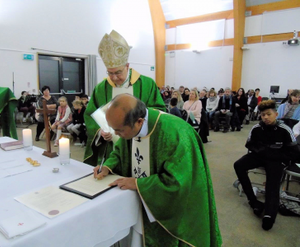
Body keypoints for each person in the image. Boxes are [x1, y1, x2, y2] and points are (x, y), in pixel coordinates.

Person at [94, 94, 222, 247]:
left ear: (139, 122)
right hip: (140, 207)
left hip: (171, 213)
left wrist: (139, 184)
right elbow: (122, 150)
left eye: (119, 130)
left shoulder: (175, 134)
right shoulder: (131, 125)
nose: (116, 134)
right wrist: (109, 166)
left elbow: (178, 183)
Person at [84, 30, 165, 166]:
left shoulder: (146, 84)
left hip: (139, 141)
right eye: (110, 73)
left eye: (118, 72)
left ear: (127, 66)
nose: (115, 77)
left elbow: (158, 111)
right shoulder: (101, 88)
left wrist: (137, 126)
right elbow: (90, 115)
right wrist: (100, 132)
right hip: (111, 146)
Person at [234, 100, 299, 230]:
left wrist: (276, 155)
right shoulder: (257, 128)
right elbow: (249, 144)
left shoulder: (284, 129)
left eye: (268, 114)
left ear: (275, 114)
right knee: (239, 165)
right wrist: (262, 150)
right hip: (260, 156)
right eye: (263, 115)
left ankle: (269, 214)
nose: (265, 117)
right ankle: (254, 202)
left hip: (277, 159)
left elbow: (294, 152)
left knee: (272, 184)